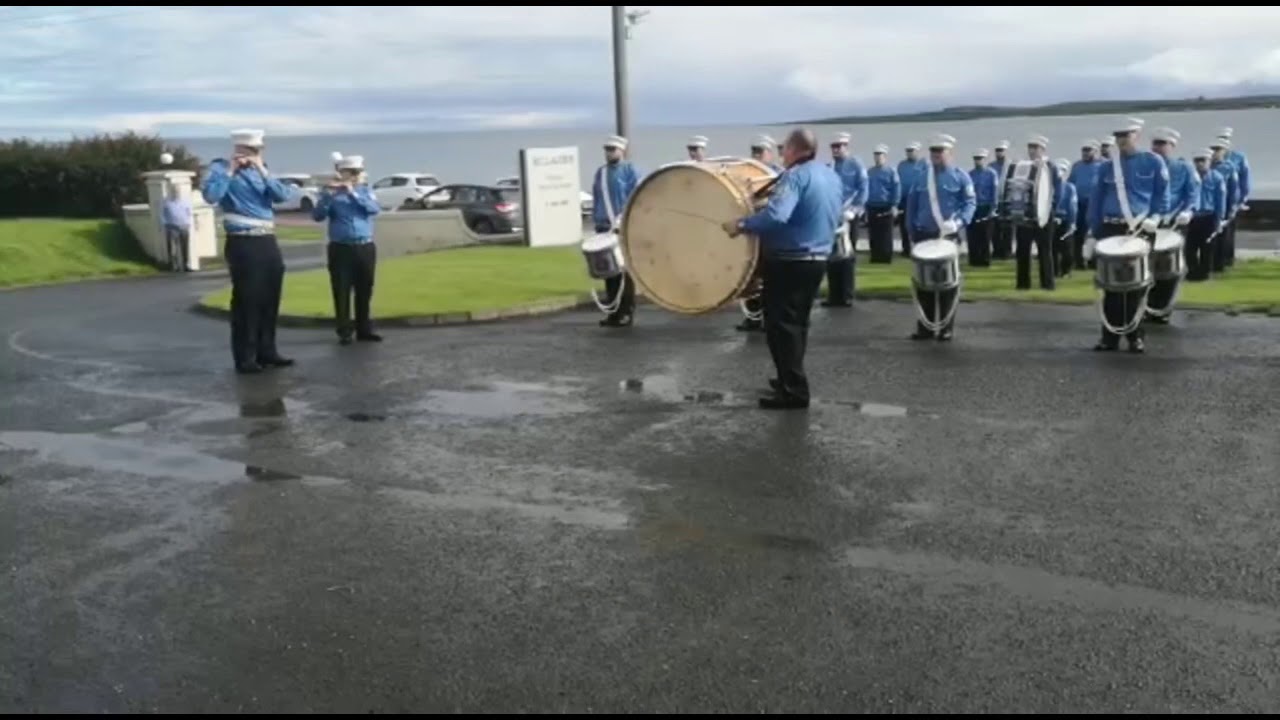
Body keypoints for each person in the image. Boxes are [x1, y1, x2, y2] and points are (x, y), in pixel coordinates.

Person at [722, 128, 843, 410]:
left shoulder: (795, 176)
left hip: (790, 261)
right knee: (797, 324)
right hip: (817, 259)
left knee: (781, 327)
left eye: (784, 148)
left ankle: (793, 391)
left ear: (795, 150)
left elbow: (777, 215)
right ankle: (788, 377)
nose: (781, 153)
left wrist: (741, 225)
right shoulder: (829, 175)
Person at [200, 128, 295, 375]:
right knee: (248, 300)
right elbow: (211, 196)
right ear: (236, 149)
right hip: (243, 240)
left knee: (270, 296)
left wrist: (262, 169)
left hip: (267, 239)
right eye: (247, 151)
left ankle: (268, 350)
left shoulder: (262, 171)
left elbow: (283, 195)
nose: (250, 155)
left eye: (255, 151)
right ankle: (246, 356)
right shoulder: (220, 169)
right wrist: (232, 170)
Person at [1087, 117, 1170, 353]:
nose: (1122, 140)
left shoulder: (1153, 162)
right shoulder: (1106, 166)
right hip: (1110, 228)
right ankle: (1109, 338)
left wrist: (1156, 216)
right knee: (1110, 286)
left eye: (1127, 135)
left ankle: (1136, 336)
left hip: (1141, 228)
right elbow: (1096, 201)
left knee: (1137, 286)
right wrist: (1092, 233)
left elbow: (1162, 195)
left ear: (1137, 135)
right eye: (1118, 136)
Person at [906, 133, 977, 341]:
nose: (936, 154)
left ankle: (946, 328)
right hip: (923, 235)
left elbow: (970, 203)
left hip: (948, 236)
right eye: (933, 151)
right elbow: (911, 205)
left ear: (950, 153)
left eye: (940, 151)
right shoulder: (921, 177)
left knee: (947, 284)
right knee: (923, 284)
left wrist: (959, 222)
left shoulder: (960, 176)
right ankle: (925, 328)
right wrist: (911, 231)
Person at [312, 154, 382, 345]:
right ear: (341, 173)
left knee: (365, 289)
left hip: (364, 246)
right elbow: (317, 216)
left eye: (356, 173)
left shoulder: (365, 192)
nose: (354, 176)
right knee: (341, 289)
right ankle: (344, 330)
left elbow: (374, 209)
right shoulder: (331, 194)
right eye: (350, 173)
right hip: (340, 248)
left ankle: (364, 329)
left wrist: (353, 193)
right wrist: (328, 196)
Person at [591, 135, 641, 327]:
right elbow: (597, 199)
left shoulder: (630, 170)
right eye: (607, 149)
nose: (609, 152)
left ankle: (626, 312)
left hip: (623, 227)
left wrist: (622, 220)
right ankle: (613, 310)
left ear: (622, 150)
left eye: (613, 149)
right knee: (608, 272)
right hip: (604, 227)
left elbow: (635, 197)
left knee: (624, 272)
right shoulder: (601, 172)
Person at [1012, 135, 1062, 290]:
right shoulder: (1023, 165)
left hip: (1044, 214)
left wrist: (1049, 208)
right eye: (1030, 147)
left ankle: (1047, 285)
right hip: (1025, 214)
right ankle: (1022, 285)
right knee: (1022, 250)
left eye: (1035, 147)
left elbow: (1058, 190)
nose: (1032, 150)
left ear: (1043, 149)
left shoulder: (1051, 166)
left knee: (1045, 251)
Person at [824, 131, 868, 307]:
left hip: (849, 215)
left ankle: (847, 295)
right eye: (833, 146)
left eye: (839, 146)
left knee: (847, 255)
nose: (836, 149)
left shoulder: (856, 164)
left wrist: (856, 209)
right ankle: (834, 295)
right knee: (831, 256)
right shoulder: (830, 167)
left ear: (846, 146)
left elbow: (863, 188)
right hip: (834, 215)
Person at [1185, 148, 1227, 282]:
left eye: (1203, 160)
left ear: (1209, 161)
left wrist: (1220, 218)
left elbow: (1220, 199)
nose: (1200, 164)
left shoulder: (1216, 178)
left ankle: (1204, 273)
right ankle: (1192, 271)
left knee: (1207, 247)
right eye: (1197, 161)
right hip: (1192, 216)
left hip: (1209, 216)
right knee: (1189, 248)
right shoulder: (1190, 177)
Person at [864, 144, 901, 264]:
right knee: (873, 234)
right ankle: (875, 256)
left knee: (885, 234)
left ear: (885, 157)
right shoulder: (870, 172)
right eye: (876, 155)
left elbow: (896, 188)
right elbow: (865, 189)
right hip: (872, 206)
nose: (878, 158)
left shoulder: (891, 172)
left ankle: (885, 257)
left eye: (880, 155)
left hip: (886, 206)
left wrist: (894, 205)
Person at [1068, 140, 1102, 269]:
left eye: (1088, 150)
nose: (1085, 153)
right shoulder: (1077, 166)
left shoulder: (1102, 165)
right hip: (1079, 205)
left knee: (1095, 234)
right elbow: (1070, 183)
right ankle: (1078, 262)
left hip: (1095, 205)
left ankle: (1094, 261)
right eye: (1084, 150)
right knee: (1078, 234)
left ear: (1095, 151)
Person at [1208, 138, 1240, 274]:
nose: (1214, 152)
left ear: (1224, 151)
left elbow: (1234, 189)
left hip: (1225, 204)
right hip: (1210, 206)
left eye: (1218, 150)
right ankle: (1210, 263)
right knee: (1210, 236)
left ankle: (1220, 264)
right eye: (1213, 149)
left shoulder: (1229, 167)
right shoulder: (1207, 166)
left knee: (1223, 236)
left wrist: (1233, 206)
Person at [967, 148, 999, 267]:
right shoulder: (970, 174)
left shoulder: (991, 174)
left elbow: (994, 192)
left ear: (985, 159)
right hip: (974, 207)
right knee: (973, 235)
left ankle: (985, 260)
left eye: (980, 158)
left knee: (985, 236)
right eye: (976, 159)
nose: (978, 161)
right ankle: (974, 260)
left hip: (986, 207)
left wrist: (993, 208)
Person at [895, 142, 927, 257]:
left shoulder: (924, 164)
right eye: (908, 151)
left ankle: (920, 249)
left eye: (912, 150)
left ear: (917, 151)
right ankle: (906, 249)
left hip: (919, 199)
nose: (910, 153)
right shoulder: (902, 165)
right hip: (904, 200)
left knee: (919, 225)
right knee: (904, 225)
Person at [1051, 158, 1077, 277]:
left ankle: (1066, 270)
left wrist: (1072, 222)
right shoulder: (1050, 187)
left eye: (1063, 170)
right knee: (1053, 248)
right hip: (1052, 220)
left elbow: (1072, 206)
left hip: (1065, 220)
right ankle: (1054, 271)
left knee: (1067, 247)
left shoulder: (1069, 187)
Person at [990, 140, 1013, 260]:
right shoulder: (991, 166)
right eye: (997, 151)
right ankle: (997, 250)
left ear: (1006, 151)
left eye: (1001, 150)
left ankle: (1007, 251)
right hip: (995, 200)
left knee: (1008, 227)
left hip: (1008, 199)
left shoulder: (1011, 165)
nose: (999, 153)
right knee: (995, 227)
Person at [161, 183, 192, 272]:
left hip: (183, 227)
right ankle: (174, 266)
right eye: (174, 191)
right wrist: (165, 224)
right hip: (171, 227)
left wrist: (187, 223)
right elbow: (162, 214)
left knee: (185, 247)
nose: (176, 192)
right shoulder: (166, 202)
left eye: (177, 191)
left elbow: (189, 213)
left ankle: (186, 265)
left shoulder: (185, 202)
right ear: (171, 192)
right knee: (172, 247)